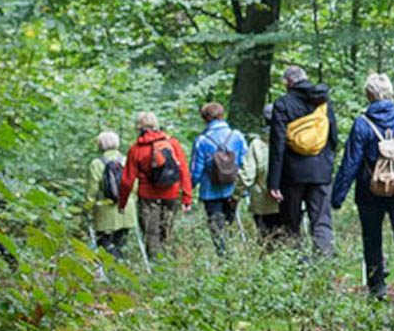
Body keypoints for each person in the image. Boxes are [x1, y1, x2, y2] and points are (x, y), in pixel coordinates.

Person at [331, 73, 394, 302]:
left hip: (369, 190)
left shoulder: (362, 123)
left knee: (372, 237)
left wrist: (338, 196)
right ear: (389, 93)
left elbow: (351, 161)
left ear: (368, 95)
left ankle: (377, 287)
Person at [268, 65, 339, 258]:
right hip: (321, 172)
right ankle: (324, 266)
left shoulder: (283, 104)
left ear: (287, 83)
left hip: (292, 174)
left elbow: (278, 144)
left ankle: (296, 267)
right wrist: (327, 162)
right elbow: (333, 137)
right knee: (321, 221)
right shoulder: (323, 101)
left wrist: (273, 182)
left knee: (291, 222)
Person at [118, 112, 192, 259]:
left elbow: (127, 180)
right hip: (171, 194)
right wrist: (187, 198)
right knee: (167, 230)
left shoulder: (136, 149)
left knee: (151, 234)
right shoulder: (172, 144)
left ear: (138, 127)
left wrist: (122, 202)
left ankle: (155, 265)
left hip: (148, 197)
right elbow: (183, 171)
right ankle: (168, 262)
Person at [190, 102, 247, 256]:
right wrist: (244, 188)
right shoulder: (237, 136)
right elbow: (244, 162)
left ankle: (223, 257)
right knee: (229, 223)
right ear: (222, 115)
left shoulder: (202, 141)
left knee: (216, 227)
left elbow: (196, 170)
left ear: (206, 118)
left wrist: (189, 189)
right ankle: (232, 255)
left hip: (210, 191)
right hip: (232, 189)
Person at [86, 130, 136, 259]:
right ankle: (120, 269)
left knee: (105, 245)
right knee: (119, 243)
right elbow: (134, 186)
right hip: (126, 209)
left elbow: (92, 189)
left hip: (105, 210)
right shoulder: (126, 161)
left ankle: (110, 270)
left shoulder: (96, 164)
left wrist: (88, 206)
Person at [238, 103, 283, 239]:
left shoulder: (256, 145)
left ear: (264, 120)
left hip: (263, 203)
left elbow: (247, 176)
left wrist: (236, 194)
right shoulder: (292, 141)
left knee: (266, 240)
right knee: (289, 239)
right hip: (288, 200)